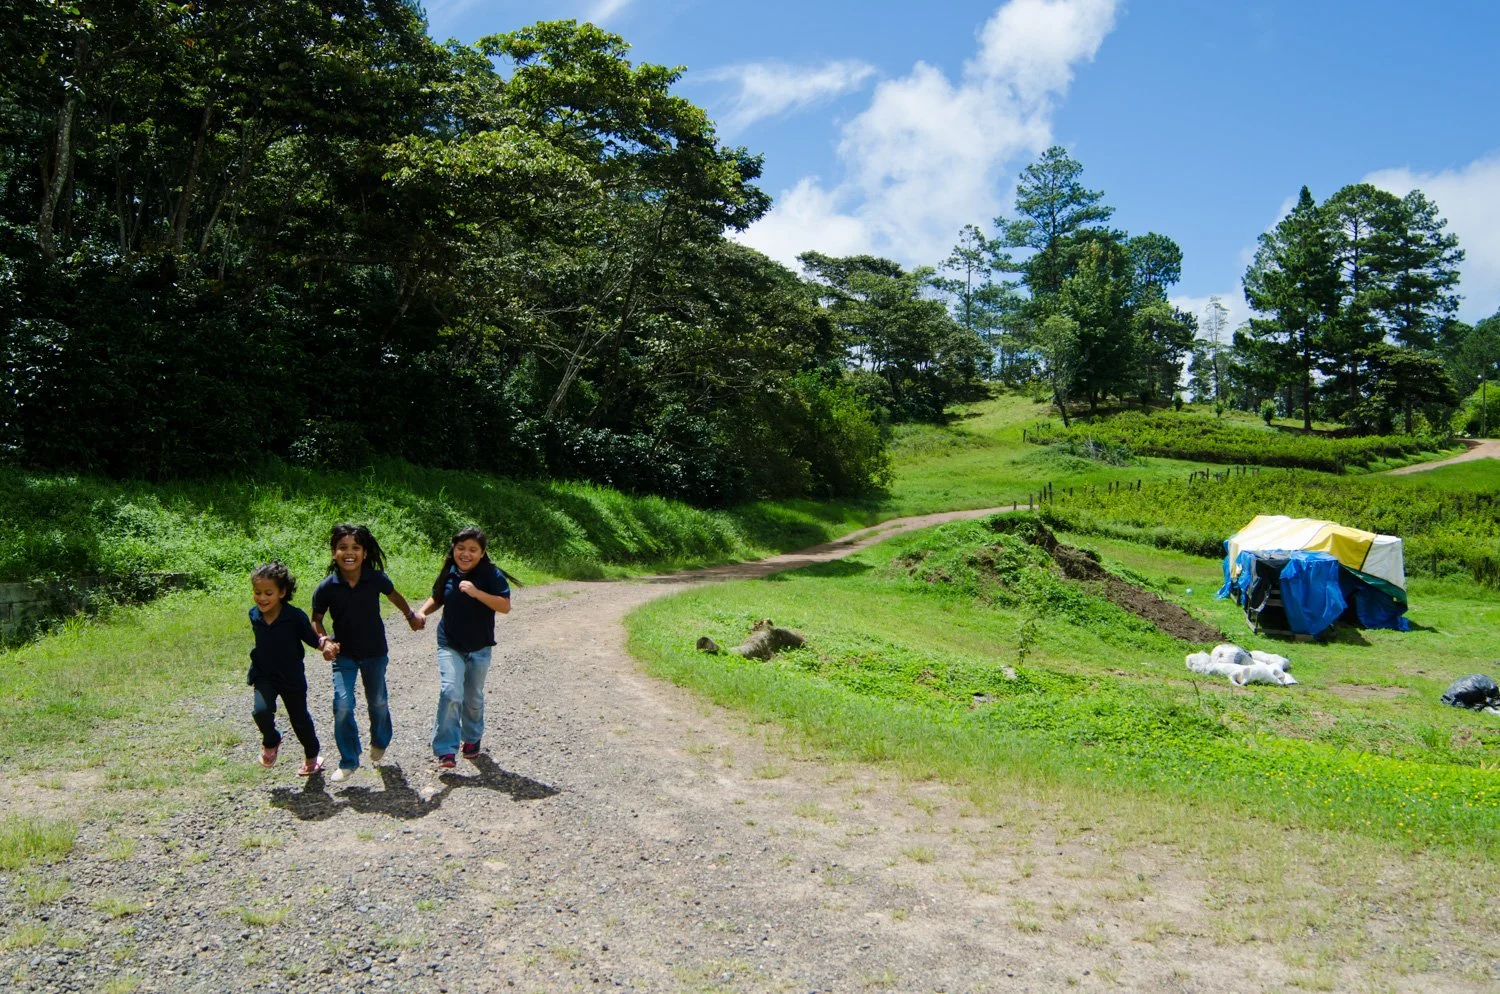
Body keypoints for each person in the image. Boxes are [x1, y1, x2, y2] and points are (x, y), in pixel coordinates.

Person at [311, 523, 424, 782]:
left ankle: (380, 740)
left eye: (355, 548)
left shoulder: (375, 578)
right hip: (344, 655)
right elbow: (316, 619)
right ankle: (349, 760)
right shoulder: (327, 587)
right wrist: (324, 641)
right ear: (334, 553)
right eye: (342, 547)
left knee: (378, 701)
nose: (349, 553)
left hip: (375, 652)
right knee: (342, 705)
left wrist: (410, 616)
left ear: (364, 553)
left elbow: (394, 596)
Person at [415, 527, 511, 769]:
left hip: (480, 647)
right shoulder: (449, 571)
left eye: (472, 550)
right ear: (453, 549)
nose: (465, 554)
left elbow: (504, 606)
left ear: (482, 553)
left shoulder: (491, 575)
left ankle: (472, 738)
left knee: (473, 697)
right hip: (450, 643)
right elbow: (438, 597)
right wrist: (422, 612)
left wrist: (476, 593)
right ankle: (446, 749)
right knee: (450, 692)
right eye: (460, 548)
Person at [247, 561, 326, 776]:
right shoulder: (254, 614)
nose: (262, 598)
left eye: (268, 593)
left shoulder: (294, 616)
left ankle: (312, 757)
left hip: (291, 677)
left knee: (299, 719)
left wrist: (325, 645)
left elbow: (312, 639)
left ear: (282, 592)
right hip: (263, 674)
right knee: (260, 711)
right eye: (257, 592)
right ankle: (271, 740)